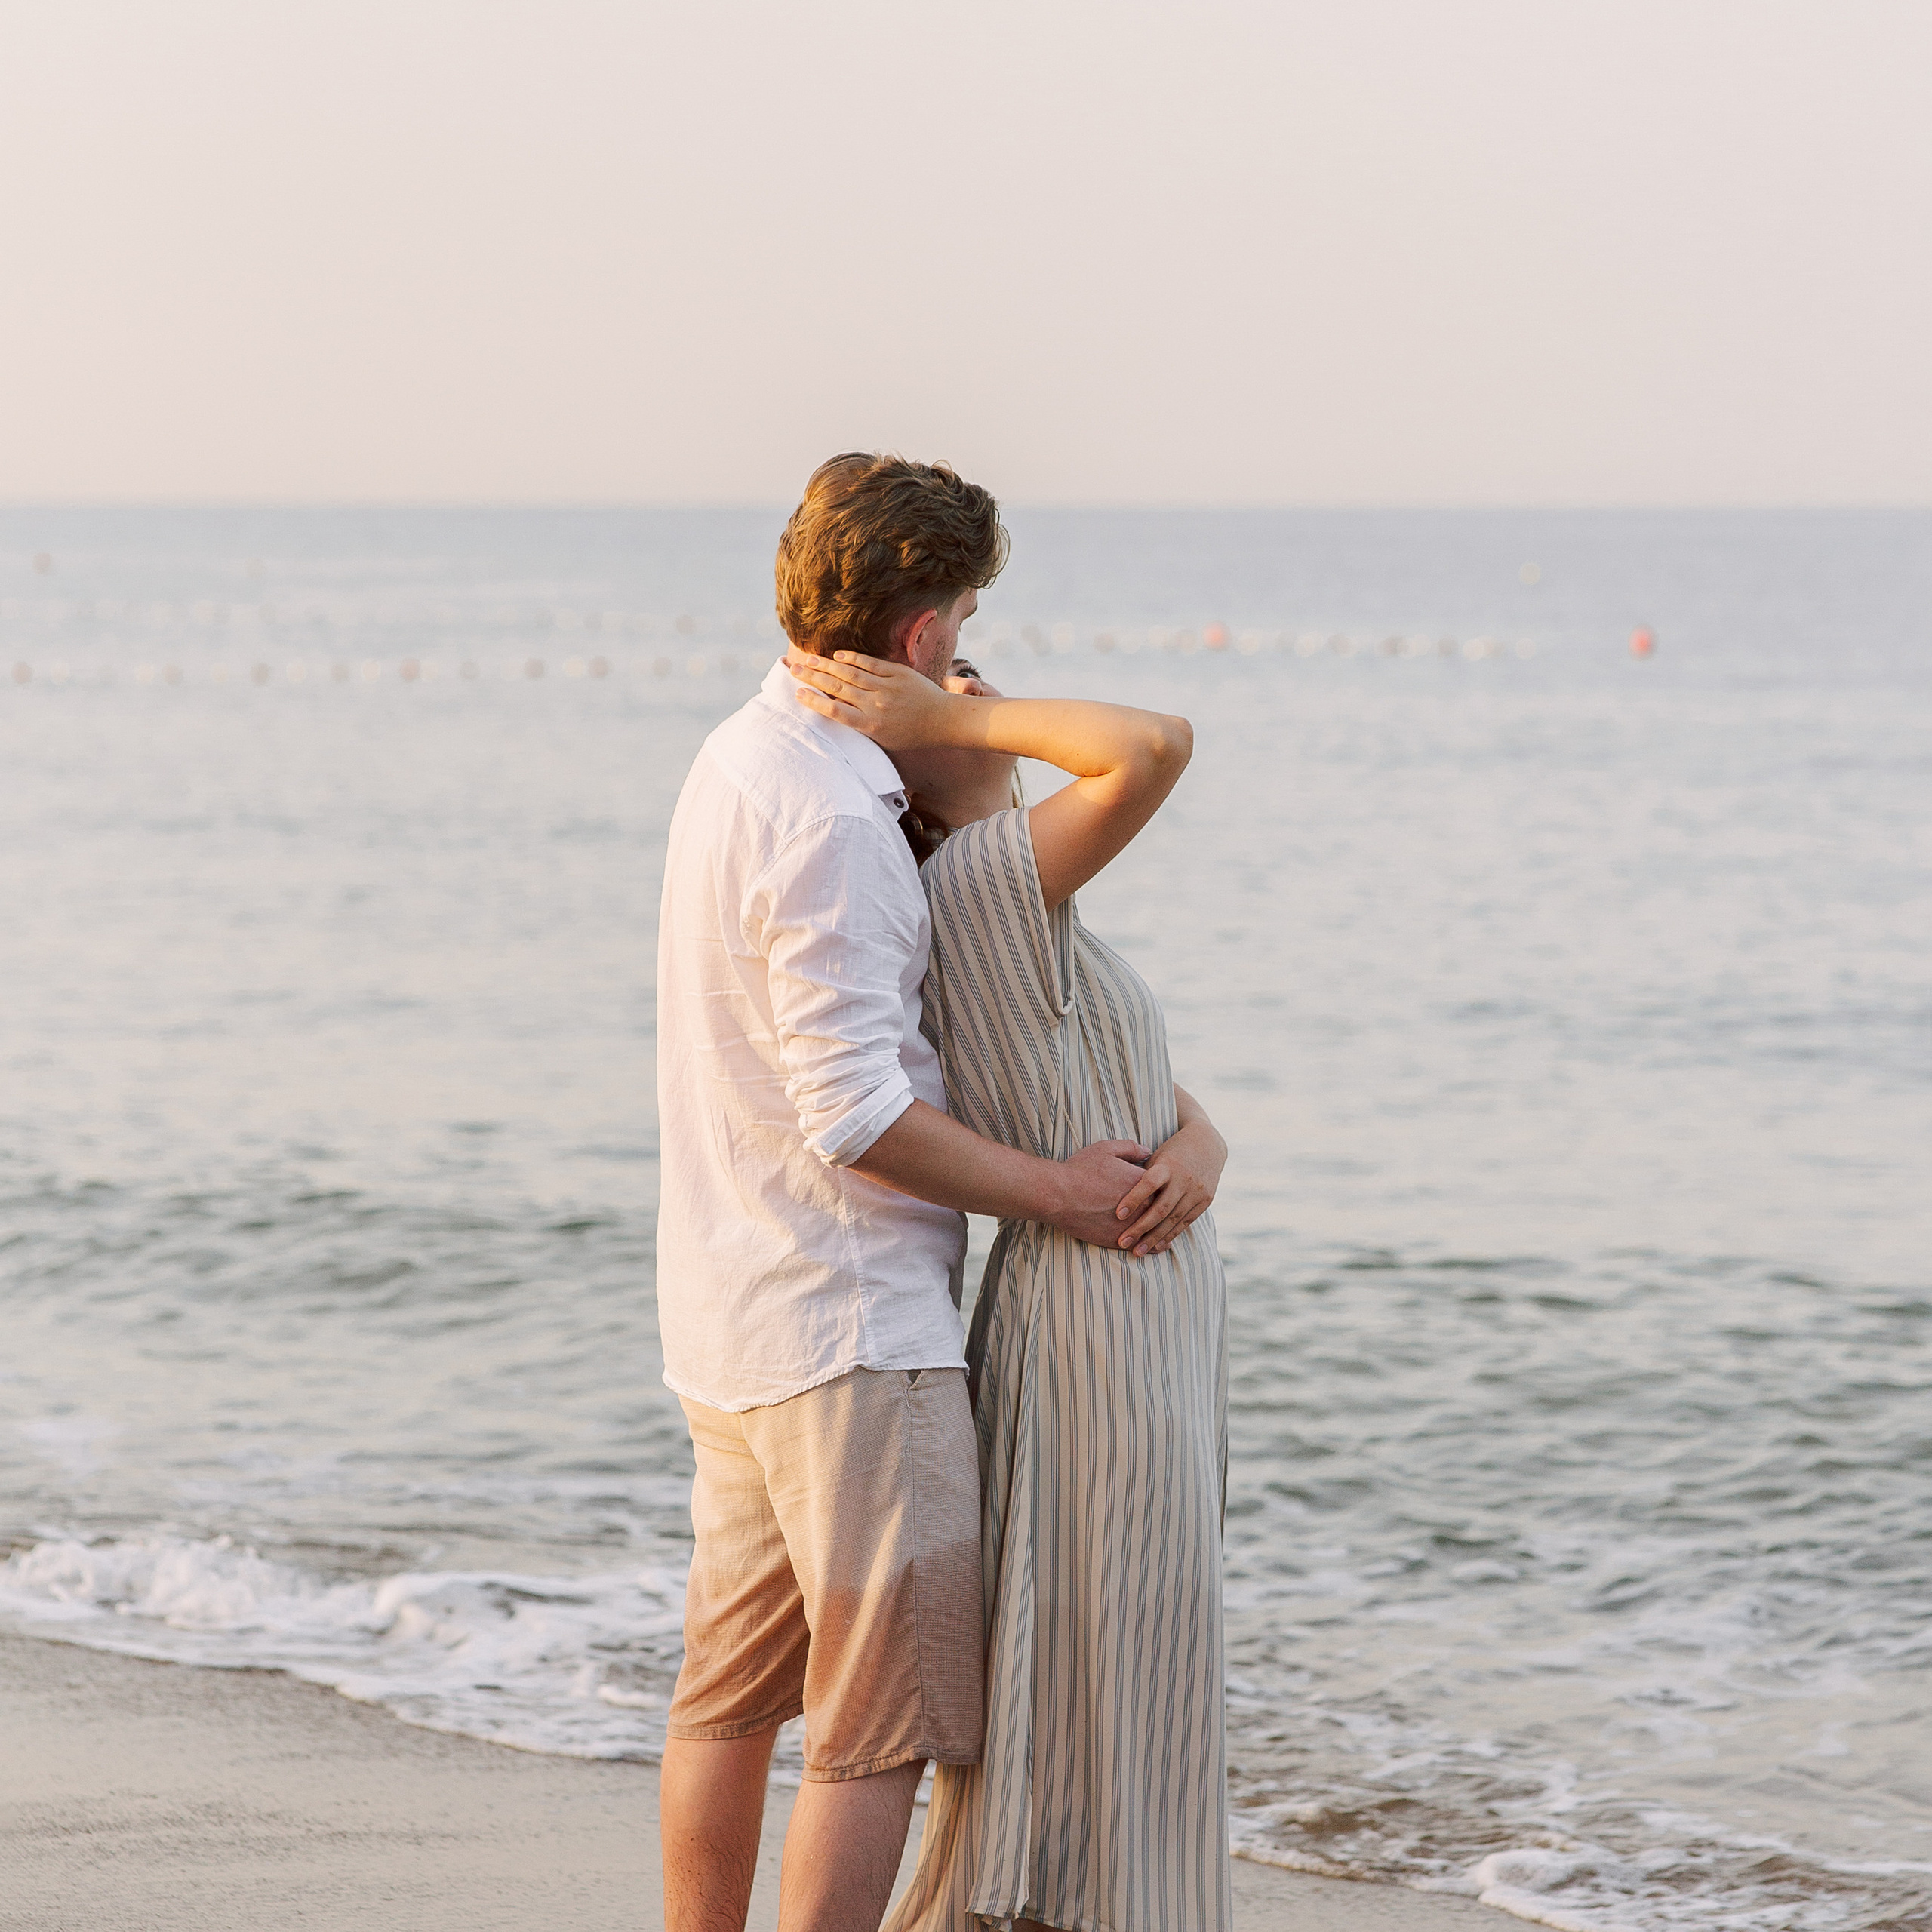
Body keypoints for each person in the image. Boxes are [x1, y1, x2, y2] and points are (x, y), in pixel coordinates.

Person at [654, 453, 1164, 1932]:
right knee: (876, 1729)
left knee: (729, 1705)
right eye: (968, 614)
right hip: (850, 1333)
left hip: (732, 1321)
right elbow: (851, 1106)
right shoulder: (830, 810)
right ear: (922, 635)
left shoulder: (734, 757)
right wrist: (1056, 1191)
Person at [784, 642, 1232, 1932]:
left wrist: (1205, 1141)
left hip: (1131, 1293)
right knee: (1113, 1625)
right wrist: (949, 717)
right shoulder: (977, 877)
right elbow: (1152, 743)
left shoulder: (1014, 888)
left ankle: (1092, 1900)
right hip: (1101, 1302)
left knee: (1129, 1619)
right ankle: (1077, 1905)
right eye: (950, 686)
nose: (978, 689)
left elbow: (1130, 1073)